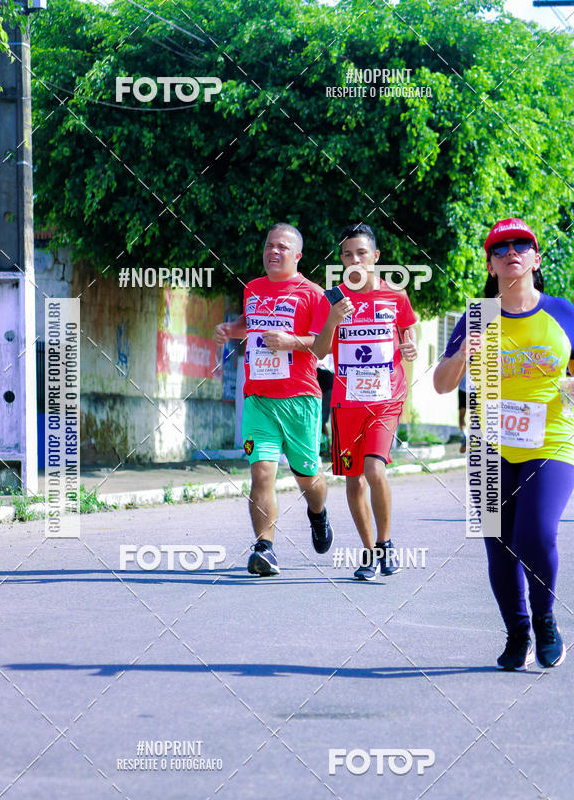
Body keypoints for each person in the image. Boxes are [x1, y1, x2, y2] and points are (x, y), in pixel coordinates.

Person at [433, 218, 574, 670]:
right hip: (490, 446)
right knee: (499, 544)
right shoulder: (477, 317)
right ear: (491, 265)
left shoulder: (563, 311)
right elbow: (440, 384)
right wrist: (460, 355)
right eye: (500, 248)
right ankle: (518, 634)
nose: (511, 252)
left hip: (550, 443)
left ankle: (546, 620)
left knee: (536, 534)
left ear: (535, 258)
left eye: (521, 245)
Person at [214, 223, 333, 577]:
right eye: (269, 245)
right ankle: (265, 548)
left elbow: (326, 345)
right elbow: (249, 322)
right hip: (258, 398)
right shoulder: (253, 288)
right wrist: (229, 330)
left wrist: (291, 342)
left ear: (297, 255)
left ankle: (318, 513)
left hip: (300, 399)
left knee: (307, 476)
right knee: (262, 471)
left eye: (282, 247)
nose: (273, 251)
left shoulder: (313, 294)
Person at [314, 222, 418, 580]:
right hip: (346, 403)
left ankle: (386, 543)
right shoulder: (333, 298)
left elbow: (407, 327)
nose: (354, 260)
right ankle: (369, 550)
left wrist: (411, 344)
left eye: (361, 253)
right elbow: (319, 349)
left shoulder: (396, 295)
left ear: (375, 256)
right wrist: (332, 320)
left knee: (374, 469)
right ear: (341, 259)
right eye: (347, 254)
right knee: (353, 478)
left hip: (385, 398)